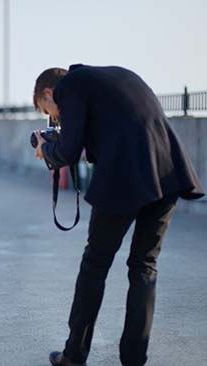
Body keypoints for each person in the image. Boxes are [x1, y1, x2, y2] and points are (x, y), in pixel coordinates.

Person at [32, 65, 204, 366]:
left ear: (49, 92)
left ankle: (73, 356)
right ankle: (134, 359)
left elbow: (69, 151)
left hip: (125, 171)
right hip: (167, 170)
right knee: (144, 266)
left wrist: (46, 150)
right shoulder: (110, 78)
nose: (54, 118)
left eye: (48, 110)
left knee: (95, 264)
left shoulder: (69, 87)